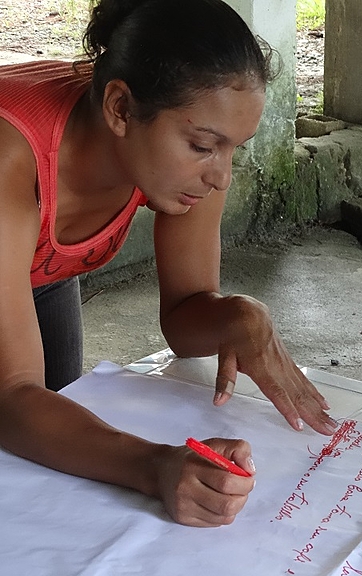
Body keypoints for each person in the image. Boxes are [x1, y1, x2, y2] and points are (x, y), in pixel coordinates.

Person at [0, 0, 338, 527]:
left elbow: (184, 315)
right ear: (119, 109)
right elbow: (13, 398)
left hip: (38, 275)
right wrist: (154, 464)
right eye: (204, 146)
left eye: (234, 149)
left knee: (55, 462)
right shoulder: (10, 158)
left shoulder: (182, 160)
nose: (221, 175)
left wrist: (237, 316)